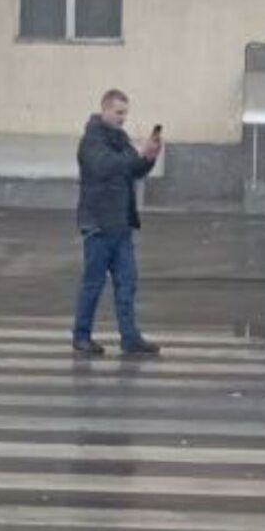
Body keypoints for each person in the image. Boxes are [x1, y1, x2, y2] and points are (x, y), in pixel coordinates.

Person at [72, 89, 162, 357]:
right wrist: (137, 156)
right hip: (98, 225)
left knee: (127, 282)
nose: (123, 118)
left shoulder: (120, 139)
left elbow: (132, 170)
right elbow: (106, 167)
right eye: (119, 112)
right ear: (105, 110)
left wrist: (149, 157)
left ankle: (130, 337)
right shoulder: (91, 141)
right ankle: (81, 335)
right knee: (93, 283)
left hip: (120, 226)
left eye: (126, 113)